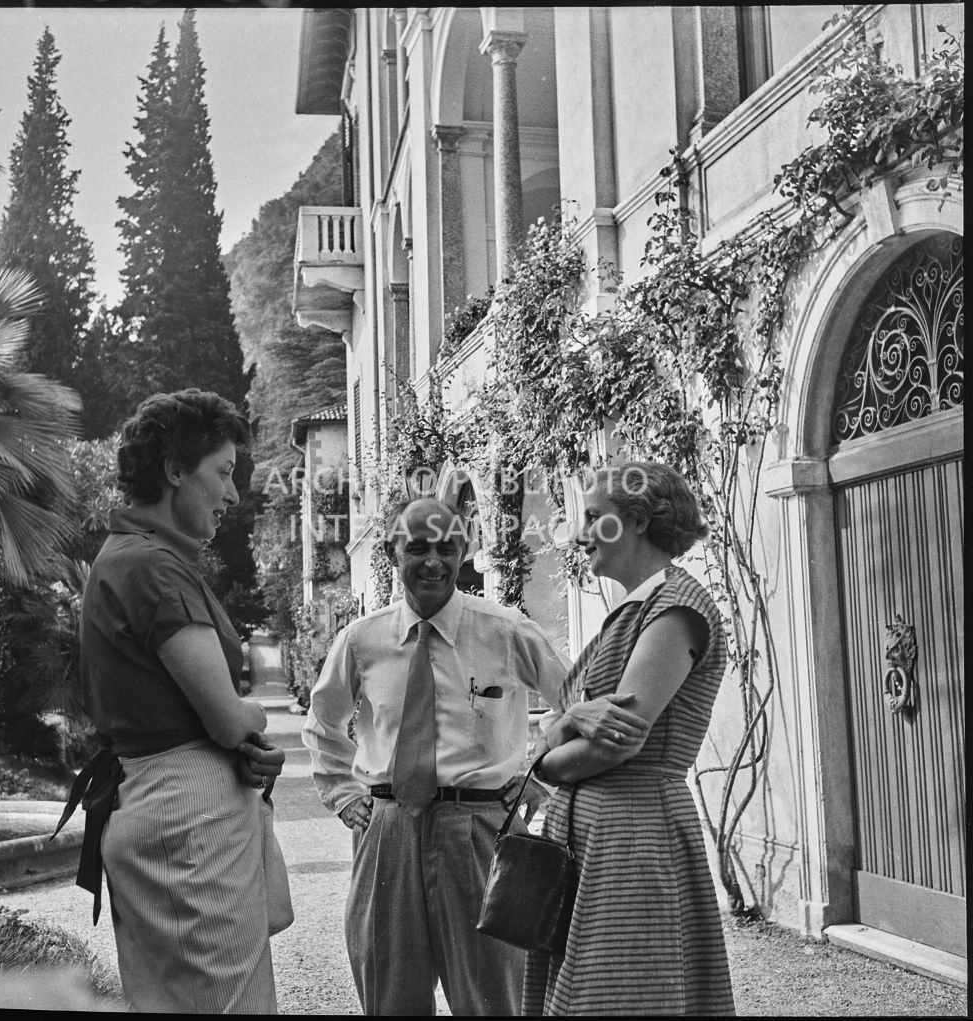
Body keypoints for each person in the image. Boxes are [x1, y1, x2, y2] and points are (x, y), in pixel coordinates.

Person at [302, 497, 571, 1016]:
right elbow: (323, 722)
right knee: (390, 994)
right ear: (391, 552)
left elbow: (576, 704)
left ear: (464, 550)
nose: (433, 561)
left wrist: (540, 776)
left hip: (479, 831)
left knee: (495, 996)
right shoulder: (362, 640)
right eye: (418, 548)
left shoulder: (506, 630)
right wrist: (341, 793)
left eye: (447, 548)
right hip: (387, 832)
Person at [62, 389, 286, 1014]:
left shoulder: (127, 557)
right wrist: (255, 720)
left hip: (150, 802)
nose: (233, 494)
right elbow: (223, 717)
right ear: (174, 470)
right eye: (223, 472)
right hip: (188, 817)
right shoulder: (157, 567)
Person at [523, 462, 736, 1016]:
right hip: (595, 839)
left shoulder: (675, 610)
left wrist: (544, 764)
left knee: (618, 996)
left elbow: (614, 744)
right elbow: (562, 723)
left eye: (595, 517)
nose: (579, 532)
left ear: (637, 521)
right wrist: (564, 726)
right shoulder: (633, 610)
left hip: (633, 838)